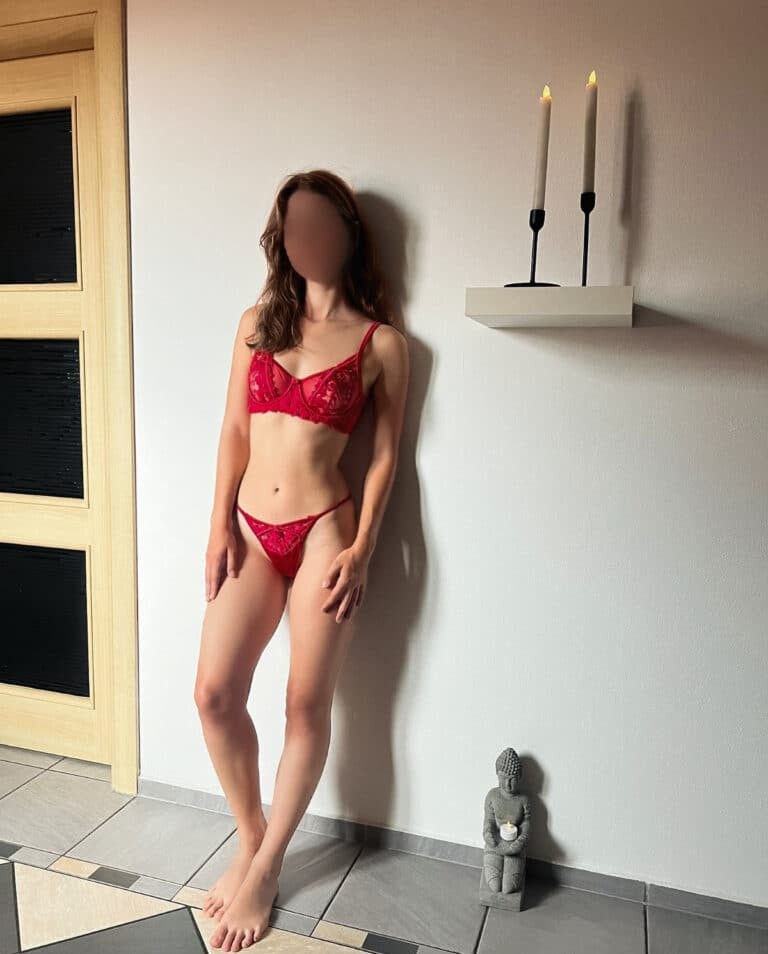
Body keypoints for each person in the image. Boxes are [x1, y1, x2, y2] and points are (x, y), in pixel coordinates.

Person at [193, 169, 409, 950]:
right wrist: (218, 524)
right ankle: (251, 836)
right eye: (293, 228)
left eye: (320, 225)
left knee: (303, 706)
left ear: (348, 234)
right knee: (215, 694)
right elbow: (233, 432)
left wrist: (365, 545)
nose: (306, 239)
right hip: (251, 531)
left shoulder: (383, 344)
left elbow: (385, 456)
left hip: (325, 531)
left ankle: (269, 866)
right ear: (281, 240)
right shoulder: (256, 323)